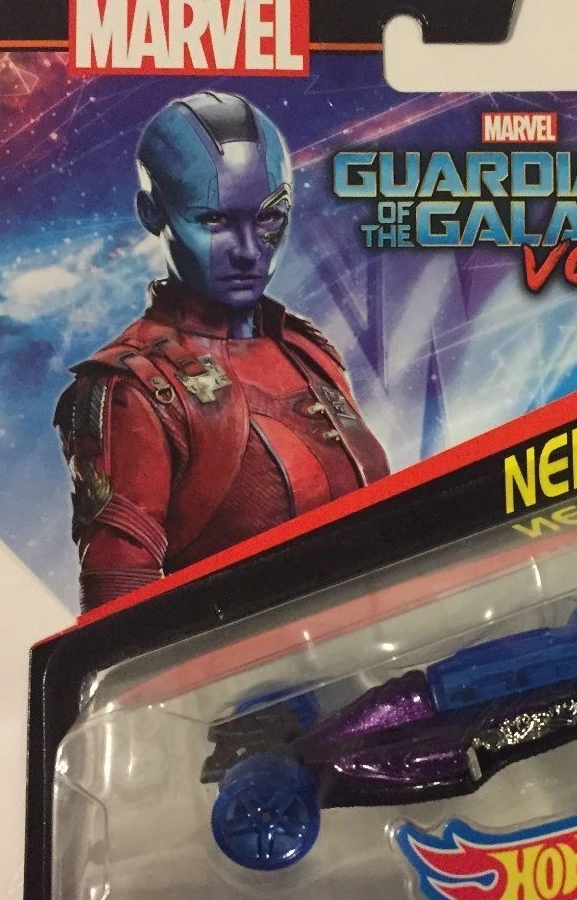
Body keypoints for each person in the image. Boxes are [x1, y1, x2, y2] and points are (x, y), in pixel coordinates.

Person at [55, 91, 389, 611]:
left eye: (270, 218)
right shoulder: (130, 389)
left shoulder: (306, 347)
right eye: (214, 221)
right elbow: (117, 610)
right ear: (152, 213)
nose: (251, 251)